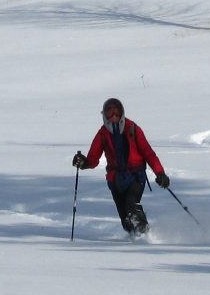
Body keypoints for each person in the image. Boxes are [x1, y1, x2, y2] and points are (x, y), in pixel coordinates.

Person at [71, 97, 170, 237]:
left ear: (122, 112)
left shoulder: (132, 128)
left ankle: (147, 236)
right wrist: (83, 162)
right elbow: (93, 160)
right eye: (109, 113)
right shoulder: (102, 134)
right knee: (126, 221)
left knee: (131, 206)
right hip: (115, 180)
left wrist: (160, 173)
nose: (114, 117)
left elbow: (148, 153)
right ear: (104, 116)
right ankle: (135, 241)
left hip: (136, 176)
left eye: (117, 112)